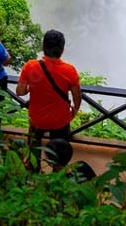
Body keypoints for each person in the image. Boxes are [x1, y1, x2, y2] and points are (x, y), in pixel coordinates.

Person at [16, 29, 82, 163]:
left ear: (43, 47)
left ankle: (33, 173)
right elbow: (77, 97)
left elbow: (20, 92)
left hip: (37, 119)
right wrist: (74, 110)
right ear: (62, 50)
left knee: (33, 153)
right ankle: (56, 177)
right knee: (59, 155)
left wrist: (30, 87)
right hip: (60, 120)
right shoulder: (70, 70)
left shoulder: (30, 66)